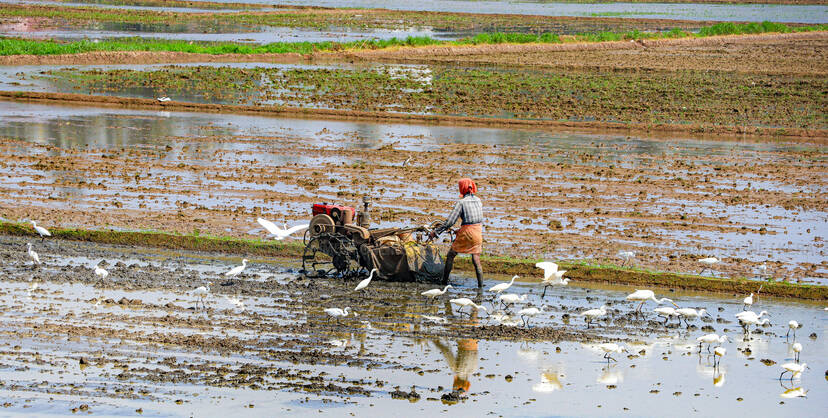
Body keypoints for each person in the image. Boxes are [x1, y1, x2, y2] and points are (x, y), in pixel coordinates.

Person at [431, 178, 484, 287]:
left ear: (462, 188)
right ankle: (481, 286)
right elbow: (474, 220)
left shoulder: (461, 203)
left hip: (468, 232)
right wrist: (460, 230)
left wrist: (436, 232)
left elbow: (450, 222)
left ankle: (444, 283)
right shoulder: (478, 200)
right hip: (478, 231)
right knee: (476, 258)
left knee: (451, 255)